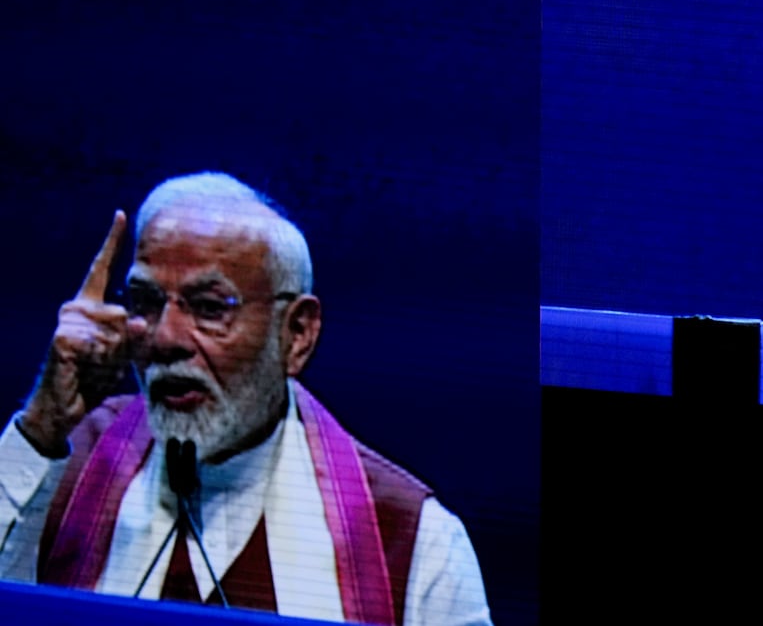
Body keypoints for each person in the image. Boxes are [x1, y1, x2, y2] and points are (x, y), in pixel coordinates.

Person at [0, 172, 492, 623]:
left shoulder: (411, 541)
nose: (165, 338)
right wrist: (39, 430)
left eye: (211, 308)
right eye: (146, 303)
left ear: (296, 334)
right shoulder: (61, 465)